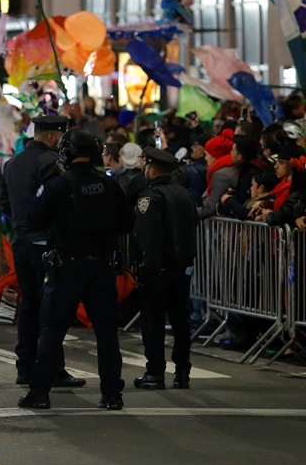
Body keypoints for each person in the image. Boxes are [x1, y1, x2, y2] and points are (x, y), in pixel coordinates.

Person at [18, 129, 132, 411]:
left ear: (66, 154)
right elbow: (127, 224)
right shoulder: (110, 186)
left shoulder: (58, 185)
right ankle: (111, 395)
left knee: (52, 331)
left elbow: (33, 219)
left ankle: (40, 393)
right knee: (106, 334)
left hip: (67, 268)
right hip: (102, 268)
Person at [0, 115, 85, 388]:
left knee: (28, 305)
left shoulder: (12, 163)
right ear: (50, 137)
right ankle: (53, 368)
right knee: (51, 308)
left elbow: (3, 202)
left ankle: (24, 367)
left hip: (21, 241)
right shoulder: (51, 163)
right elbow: (59, 202)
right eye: (61, 136)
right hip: (45, 243)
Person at [132, 147, 198, 390]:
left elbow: (148, 236)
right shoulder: (184, 195)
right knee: (181, 321)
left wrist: (148, 266)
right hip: (182, 268)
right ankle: (182, 372)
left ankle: (155, 372)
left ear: (151, 168)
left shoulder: (150, 197)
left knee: (153, 322)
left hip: (157, 269)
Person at [200, 128, 238, 218]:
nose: (205, 158)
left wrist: (186, 213)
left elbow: (210, 208)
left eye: (207, 154)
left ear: (215, 156)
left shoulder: (221, 175)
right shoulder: (229, 170)